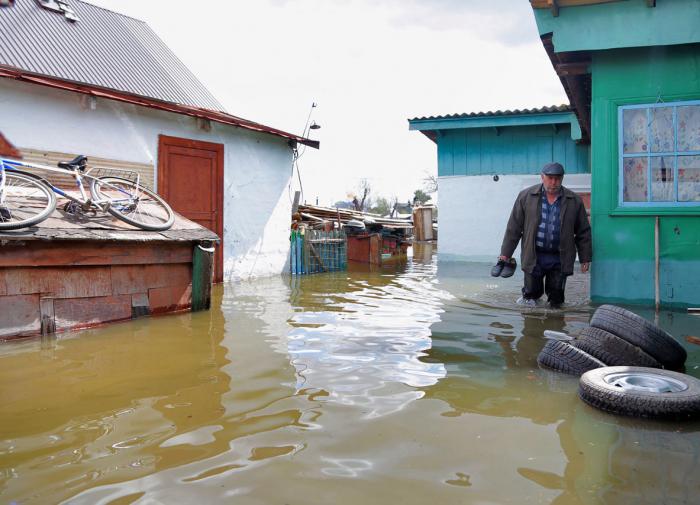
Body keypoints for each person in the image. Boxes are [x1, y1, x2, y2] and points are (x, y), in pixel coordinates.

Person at [497, 162, 592, 308]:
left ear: (562, 178)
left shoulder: (574, 200)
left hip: (560, 257)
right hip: (534, 255)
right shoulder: (526, 196)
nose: (554, 182)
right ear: (542, 177)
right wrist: (505, 254)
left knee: (556, 299)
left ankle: (555, 325)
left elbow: (583, 231)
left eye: (557, 178)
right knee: (530, 297)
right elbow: (514, 227)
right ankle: (531, 328)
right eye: (550, 178)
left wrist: (585, 257)